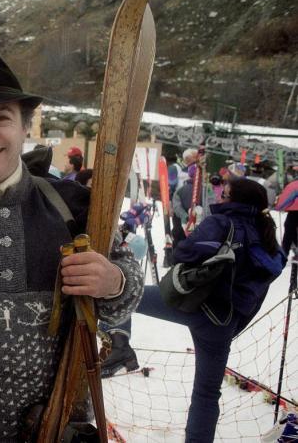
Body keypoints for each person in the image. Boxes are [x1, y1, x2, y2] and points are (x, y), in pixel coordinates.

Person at [0, 52, 143, 441]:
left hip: (57, 427)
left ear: (25, 126)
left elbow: (124, 299)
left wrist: (114, 281)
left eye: (2, 118)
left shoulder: (74, 207)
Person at [100, 178, 286, 442]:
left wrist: (193, 237)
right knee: (207, 394)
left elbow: (183, 253)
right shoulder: (267, 237)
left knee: (125, 293)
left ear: (236, 201)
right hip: (223, 322)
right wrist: (234, 323)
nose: (220, 198)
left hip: (192, 304)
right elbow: (256, 291)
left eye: (225, 195)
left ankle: (119, 343)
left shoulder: (222, 223)